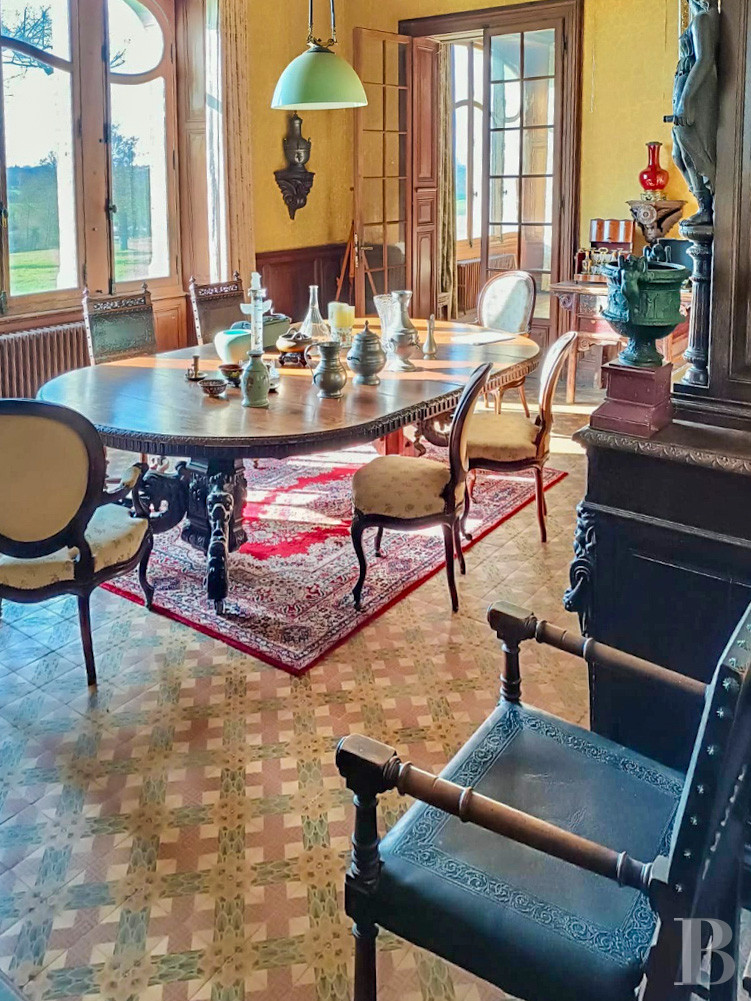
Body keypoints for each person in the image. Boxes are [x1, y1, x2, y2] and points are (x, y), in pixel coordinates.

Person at [669, 0, 720, 226]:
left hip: (694, 94)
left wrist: (686, 101)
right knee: (679, 154)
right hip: (685, 88)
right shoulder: (700, 18)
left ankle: (705, 207)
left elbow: (705, 59)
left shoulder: (703, 19)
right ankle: (703, 205)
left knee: (691, 152)